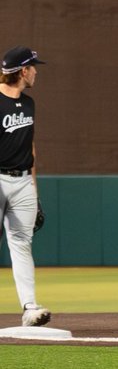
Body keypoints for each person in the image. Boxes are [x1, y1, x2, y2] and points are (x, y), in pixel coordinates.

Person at [0, 46, 50, 327]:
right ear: (22, 71)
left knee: (21, 243)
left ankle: (29, 307)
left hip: (21, 182)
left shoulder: (28, 104)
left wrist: (34, 189)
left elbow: (30, 147)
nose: (35, 71)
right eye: (32, 66)